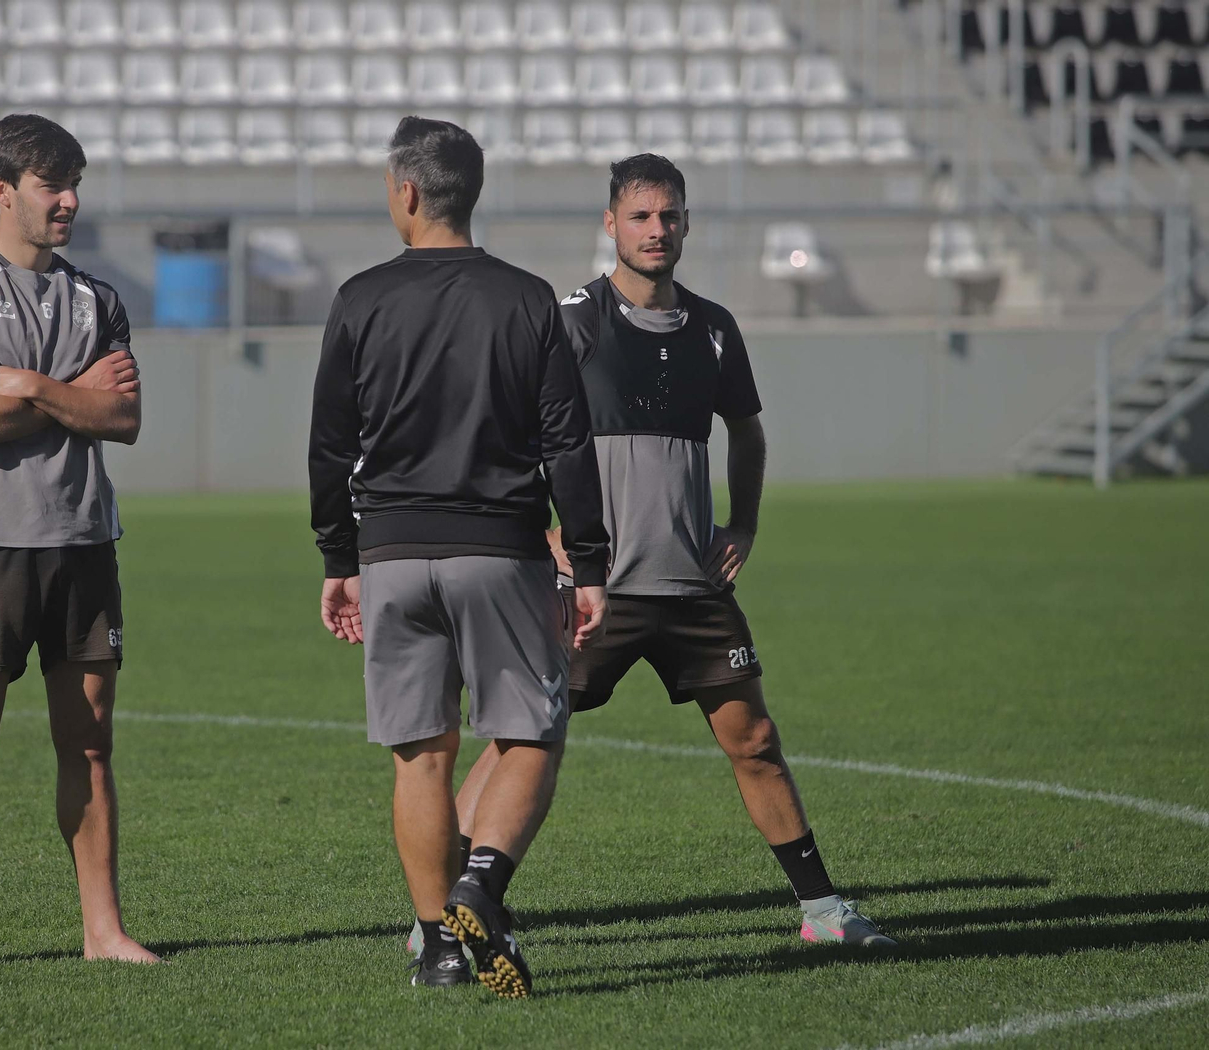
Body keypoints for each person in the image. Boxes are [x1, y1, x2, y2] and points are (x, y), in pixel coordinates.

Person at [453, 154, 896, 949]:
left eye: (670, 216)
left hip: (693, 586)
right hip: (596, 589)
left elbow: (748, 432)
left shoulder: (715, 328)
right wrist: (541, 538)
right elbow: (507, 433)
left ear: (686, 223)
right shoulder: (570, 320)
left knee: (755, 740)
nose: (657, 230)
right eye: (641, 216)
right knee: (521, 742)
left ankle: (822, 912)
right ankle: (443, 915)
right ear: (611, 224)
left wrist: (745, 524)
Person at [308, 116, 611, 997]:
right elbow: (567, 442)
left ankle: (440, 947)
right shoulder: (526, 298)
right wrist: (586, 564)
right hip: (501, 550)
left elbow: (330, 446)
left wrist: (340, 555)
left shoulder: (361, 297)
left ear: (406, 193)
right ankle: (483, 882)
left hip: (392, 553)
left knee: (420, 756)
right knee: (528, 733)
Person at [0, 114, 156, 977]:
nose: (71, 201)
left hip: (85, 540)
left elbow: (122, 417)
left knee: (88, 743)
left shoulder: (99, 298)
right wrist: (70, 393)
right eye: (54, 185)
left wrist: (34, 385)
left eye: (74, 183)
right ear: (3, 190)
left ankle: (104, 931)